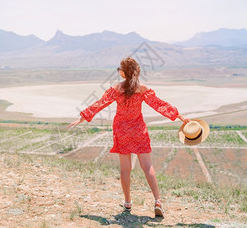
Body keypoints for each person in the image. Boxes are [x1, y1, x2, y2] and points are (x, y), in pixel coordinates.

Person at [68, 57, 190, 217]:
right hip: (139, 130)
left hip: (122, 130)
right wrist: (180, 116)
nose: (118, 71)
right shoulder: (142, 89)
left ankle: (127, 203)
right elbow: (160, 105)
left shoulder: (116, 89)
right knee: (147, 166)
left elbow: (100, 104)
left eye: (119, 69)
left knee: (125, 169)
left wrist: (83, 117)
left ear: (124, 72)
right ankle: (158, 200)